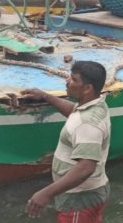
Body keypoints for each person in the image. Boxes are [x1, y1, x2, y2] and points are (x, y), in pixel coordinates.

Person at [21, 61, 111, 222]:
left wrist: (45, 193)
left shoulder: (87, 124)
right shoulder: (94, 105)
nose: (67, 81)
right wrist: (46, 96)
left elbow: (86, 167)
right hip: (85, 193)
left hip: (80, 198)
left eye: (74, 79)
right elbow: (74, 112)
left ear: (87, 88)